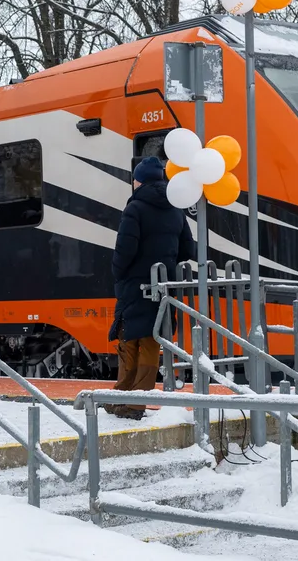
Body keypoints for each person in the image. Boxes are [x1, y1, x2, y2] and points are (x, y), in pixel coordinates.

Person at [108, 156, 196, 420]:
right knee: (149, 340)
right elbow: (188, 250)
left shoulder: (135, 208)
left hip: (135, 283)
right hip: (163, 284)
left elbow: (124, 250)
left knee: (127, 337)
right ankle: (136, 401)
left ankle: (124, 398)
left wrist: (119, 273)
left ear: (139, 181)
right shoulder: (176, 208)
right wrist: (165, 263)